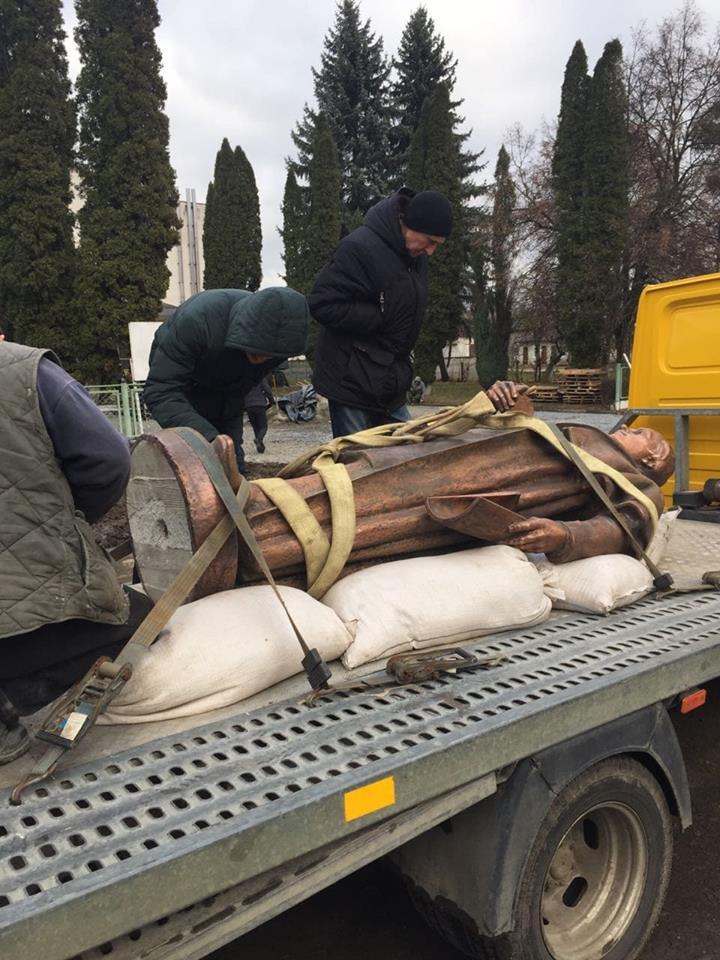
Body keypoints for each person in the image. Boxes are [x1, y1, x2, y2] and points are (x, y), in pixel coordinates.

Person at [0, 341, 154, 764]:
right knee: (143, 618)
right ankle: (11, 698)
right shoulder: (25, 370)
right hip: (20, 606)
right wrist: (68, 517)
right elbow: (108, 460)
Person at [308, 188, 453, 438]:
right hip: (350, 381)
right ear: (410, 225)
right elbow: (322, 302)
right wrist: (378, 316)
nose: (431, 251)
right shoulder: (359, 248)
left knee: (406, 453)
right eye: (430, 241)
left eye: (437, 245)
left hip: (389, 380)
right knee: (357, 464)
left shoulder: (415, 258)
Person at [143, 286, 309, 474]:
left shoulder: (282, 341)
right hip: (186, 393)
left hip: (230, 397)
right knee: (195, 470)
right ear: (245, 329)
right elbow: (160, 391)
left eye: (269, 353)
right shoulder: (196, 322)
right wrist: (208, 438)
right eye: (256, 348)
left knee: (233, 464)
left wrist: (228, 448)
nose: (262, 357)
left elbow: (242, 387)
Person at [243, 375, 274, 454]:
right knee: (263, 426)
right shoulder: (260, 378)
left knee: (255, 427)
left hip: (249, 406)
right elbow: (267, 390)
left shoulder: (245, 379)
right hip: (260, 405)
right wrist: (271, 401)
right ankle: (258, 440)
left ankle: (260, 447)